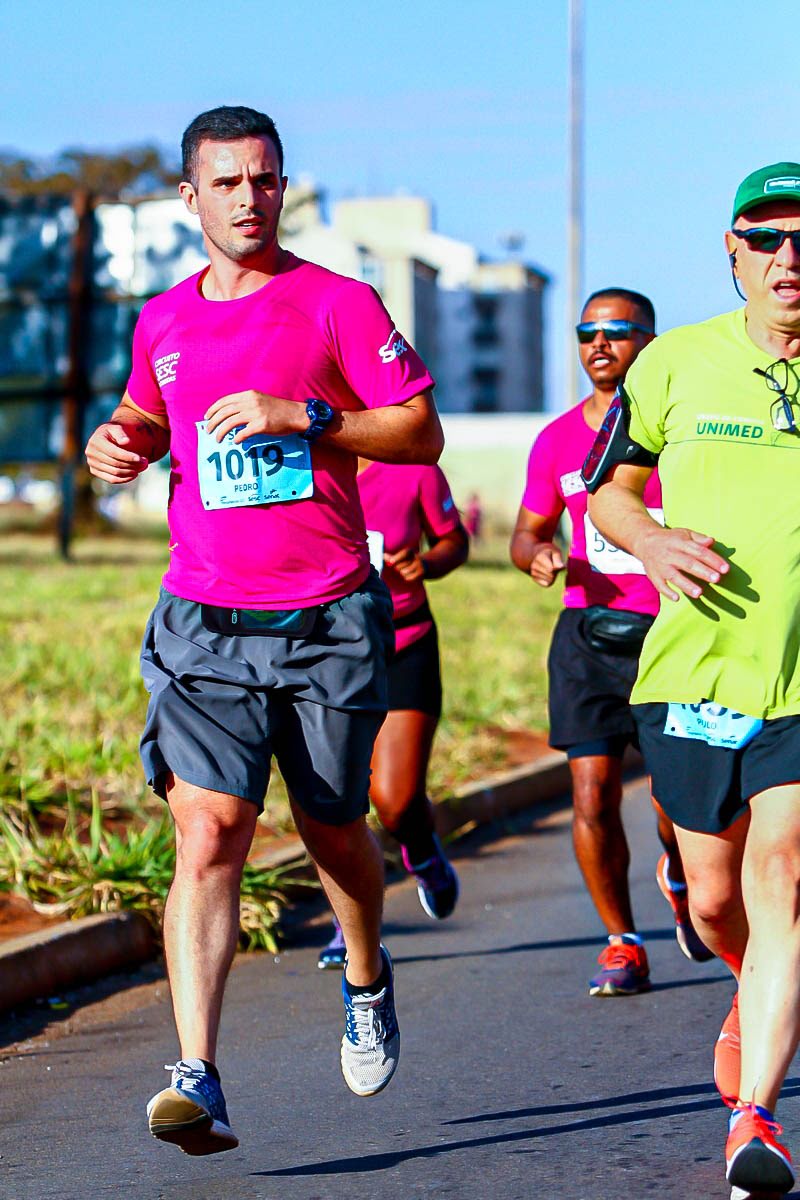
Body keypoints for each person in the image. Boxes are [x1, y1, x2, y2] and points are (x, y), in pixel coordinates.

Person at [84, 105, 444, 1155]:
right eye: (229, 183)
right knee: (208, 830)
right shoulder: (162, 319)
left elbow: (417, 429)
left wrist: (308, 417)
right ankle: (196, 1073)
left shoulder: (334, 303)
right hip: (201, 616)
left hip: (326, 612)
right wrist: (122, 446)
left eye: (267, 180)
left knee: (334, 824)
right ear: (189, 199)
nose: (251, 199)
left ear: (283, 189)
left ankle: (366, 967)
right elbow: (148, 415)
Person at [585, 163, 800, 1197]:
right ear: (731, 251)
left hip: (798, 680)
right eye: (765, 238)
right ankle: (749, 982)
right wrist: (653, 541)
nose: (787, 259)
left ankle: (753, 1116)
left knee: (780, 874)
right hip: (694, 670)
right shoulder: (670, 365)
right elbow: (607, 497)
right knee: (716, 899)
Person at [510, 288, 710, 998]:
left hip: (676, 634)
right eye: (587, 331)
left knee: (671, 801)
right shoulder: (558, 438)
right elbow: (527, 530)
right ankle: (622, 940)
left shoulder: (686, 431)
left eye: (619, 331)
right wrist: (536, 555)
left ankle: (683, 874)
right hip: (588, 636)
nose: (600, 343)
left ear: (651, 341)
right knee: (592, 794)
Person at [318, 459, 469, 969]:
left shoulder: (412, 466)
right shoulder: (299, 456)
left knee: (395, 800)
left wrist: (424, 563)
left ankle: (422, 851)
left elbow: (454, 542)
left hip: (405, 642)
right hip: (329, 648)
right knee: (335, 796)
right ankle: (350, 924)